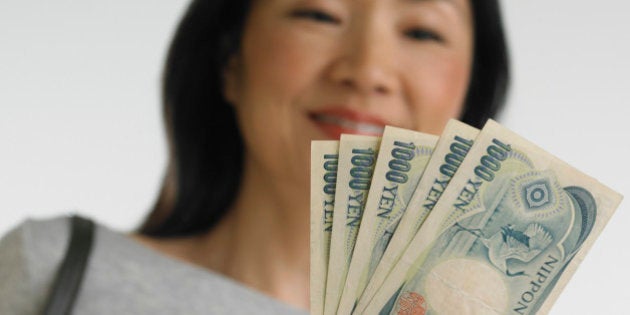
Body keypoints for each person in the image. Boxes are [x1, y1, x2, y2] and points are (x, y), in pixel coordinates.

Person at [0, 0, 508, 313]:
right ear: (229, 62)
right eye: (318, 14)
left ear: (469, 93)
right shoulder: (51, 265)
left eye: (422, 31)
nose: (367, 69)